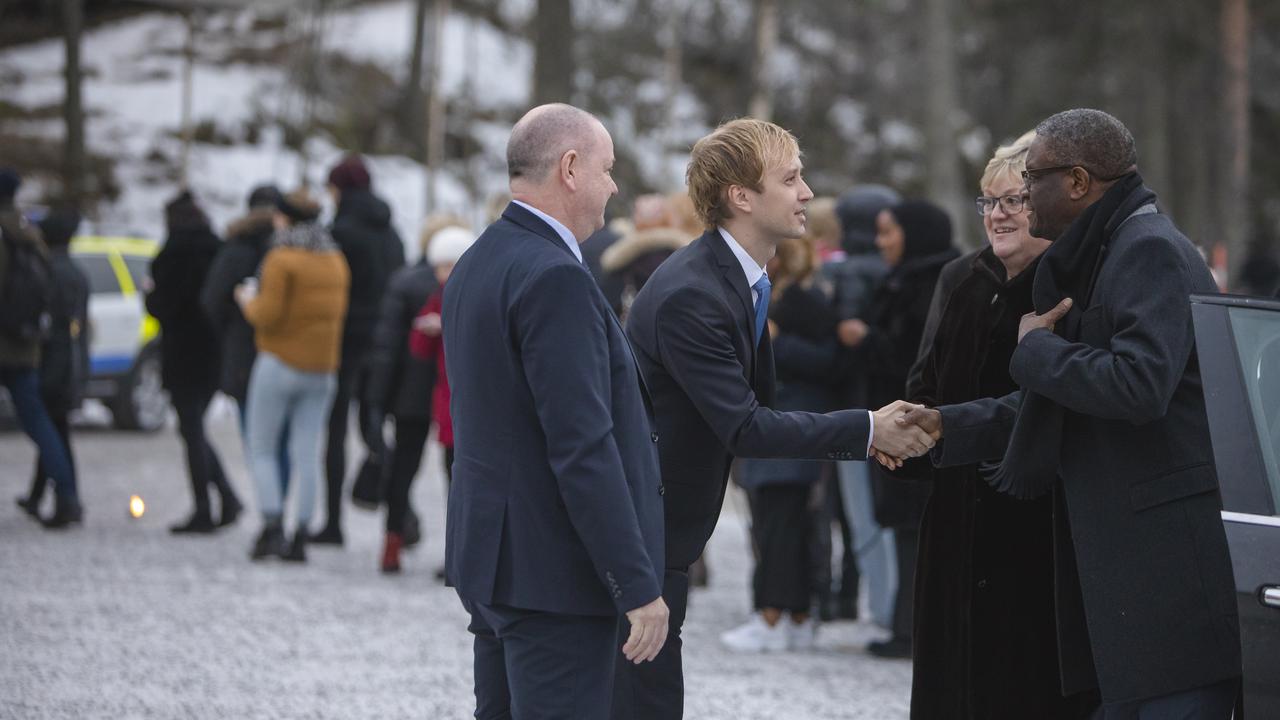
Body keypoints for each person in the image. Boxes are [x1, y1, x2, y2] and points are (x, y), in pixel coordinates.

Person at [897, 109, 1241, 717]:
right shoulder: (1108, 251)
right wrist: (948, 425)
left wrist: (1038, 350)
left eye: (1033, 180)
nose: (1024, 196)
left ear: (1078, 181)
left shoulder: (1148, 249)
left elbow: (1139, 386)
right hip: (1130, 595)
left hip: (1168, 590)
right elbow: (1062, 404)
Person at [613, 118, 935, 720]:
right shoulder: (693, 292)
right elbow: (746, 426)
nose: (806, 192)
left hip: (662, 526)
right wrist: (869, 430)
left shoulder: (735, 277)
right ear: (741, 196)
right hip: (645, 529)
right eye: (790, 179)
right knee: (639, 702)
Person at [442, 103, 669, 720]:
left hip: (495, 561)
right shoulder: (553, 276)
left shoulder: (477, 259)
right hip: (552, 575)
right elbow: (581, 446)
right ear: (570, 168)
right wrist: (635, 582)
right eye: (607, 168)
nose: (614, 187)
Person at [891, 131, 1094, 718]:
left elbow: (1055, 409)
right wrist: (909, 434)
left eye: (1014, 201)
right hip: (954, 521)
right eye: (988, 201)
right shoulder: (964, 283)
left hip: (1032, 526)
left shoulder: (1070, 291)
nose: (997, 215)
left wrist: (946, 427)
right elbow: (926, 383)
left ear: (1046, 207)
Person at [843, 199, 959, 658]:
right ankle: (907, 625)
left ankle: (913, 630)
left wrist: (865, 339)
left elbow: (914, 356)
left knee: (918, 530)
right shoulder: (905, 280)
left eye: (889, 232)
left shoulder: (931, 285)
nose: (881, 242)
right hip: (899, 427)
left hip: (918, 429)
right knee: (907, 531)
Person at [719, 231, 840, 653]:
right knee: (787, 525)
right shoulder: (796, 297)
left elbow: (828, 361)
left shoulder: (798, 301)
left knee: (779, 526)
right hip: (790, 426)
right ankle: (795, 614)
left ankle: (774, 613)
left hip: (787, 426)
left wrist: (776, 341)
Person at [238, 189, 350, 562]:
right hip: (323, 369)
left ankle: (272, 526)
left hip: (279, 362)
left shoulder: (281, 258)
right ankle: (302, 532)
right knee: (307, 451)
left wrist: (246, 300)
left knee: (263, 447)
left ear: (284, 219)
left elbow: (266, 315)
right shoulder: (335, 260)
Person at [364, 216, 464, 573]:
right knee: (456, 473)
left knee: (404, 467)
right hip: (450, 393)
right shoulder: (468, 284)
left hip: (411, 391)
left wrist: (377, 397)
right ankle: (456, 550)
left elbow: (388, 346)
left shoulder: (406, 281)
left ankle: (391, 543)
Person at [316, 154, 405, 546]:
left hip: (346, 341)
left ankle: (333, 523)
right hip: (387, 340)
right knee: (374, 427)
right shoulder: (392, 232)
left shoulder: (340, 232)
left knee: (335, 429)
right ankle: (403, 515)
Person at [823, 184, 902, 627]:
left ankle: (880, 607)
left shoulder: (846, 273)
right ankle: (888, 605)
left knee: (860, 513)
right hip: (892, 405)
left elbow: (843, 341)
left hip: (855, 408)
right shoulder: (895, 269)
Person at [146, 191, 243, 534]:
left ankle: (205, 507)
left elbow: (161, 306)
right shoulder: (217, 249)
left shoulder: (170, 256)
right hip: (213, 351)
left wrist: (149, 297)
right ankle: (227, 498)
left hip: (182, 352)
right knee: (194, 428)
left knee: (191, 430)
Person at [200, 184, 292, 498]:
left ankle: (270, 508)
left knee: (256, 441)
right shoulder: (292, 248)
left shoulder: (236, 248)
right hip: (286, 355)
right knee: (282, 441)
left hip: (243, 357)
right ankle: (281, 503)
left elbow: (211, 301)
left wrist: (233, 327)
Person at [2, 173, 82, 528]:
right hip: (26, 346)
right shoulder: (30, 235)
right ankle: (67, 495)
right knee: (41, 424)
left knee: (42, 421)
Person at [16, 207, 89, 523]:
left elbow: (48, 325)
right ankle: (45, 497)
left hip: (53, 365)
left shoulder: (49, 271)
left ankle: (66, 502)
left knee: (53, 432)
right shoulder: (74, 272)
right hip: (69, 364)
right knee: (56, 429)